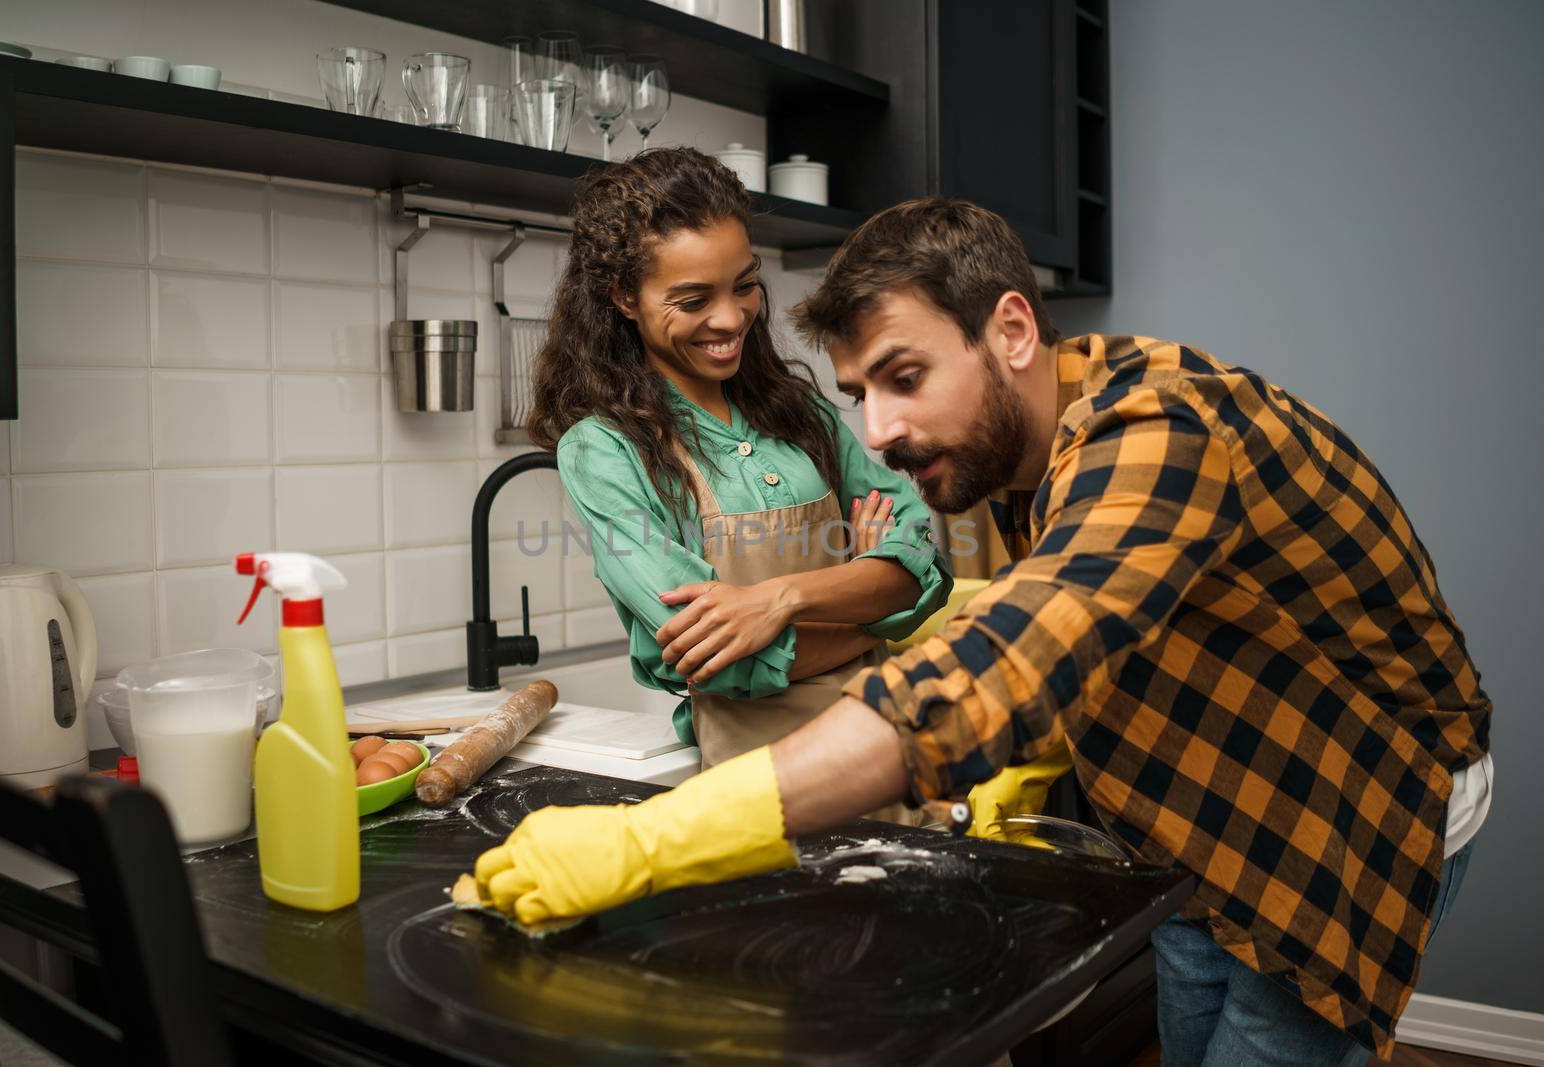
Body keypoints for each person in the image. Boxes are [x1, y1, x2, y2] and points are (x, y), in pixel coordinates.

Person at [474, 197, 1493, 1063]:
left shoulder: (1162, 431)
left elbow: (1002, 651)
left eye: (902, 376)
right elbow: (1042, 616)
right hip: (1198, 798)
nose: (875, 432)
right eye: (859, 394)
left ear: (1009, 330)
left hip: (1349, 800)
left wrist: (648, 839)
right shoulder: (1020, 444)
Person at [527, 148, 951, 813]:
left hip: (895, 759)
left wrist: (776, 602)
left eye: (744, 284)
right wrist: (868, 605)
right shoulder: (605, 451)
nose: (730, 318)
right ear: (622, 298)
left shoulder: (801, 413)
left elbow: (922, 559)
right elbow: (711, 660)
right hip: (762, 796)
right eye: (693, 299)